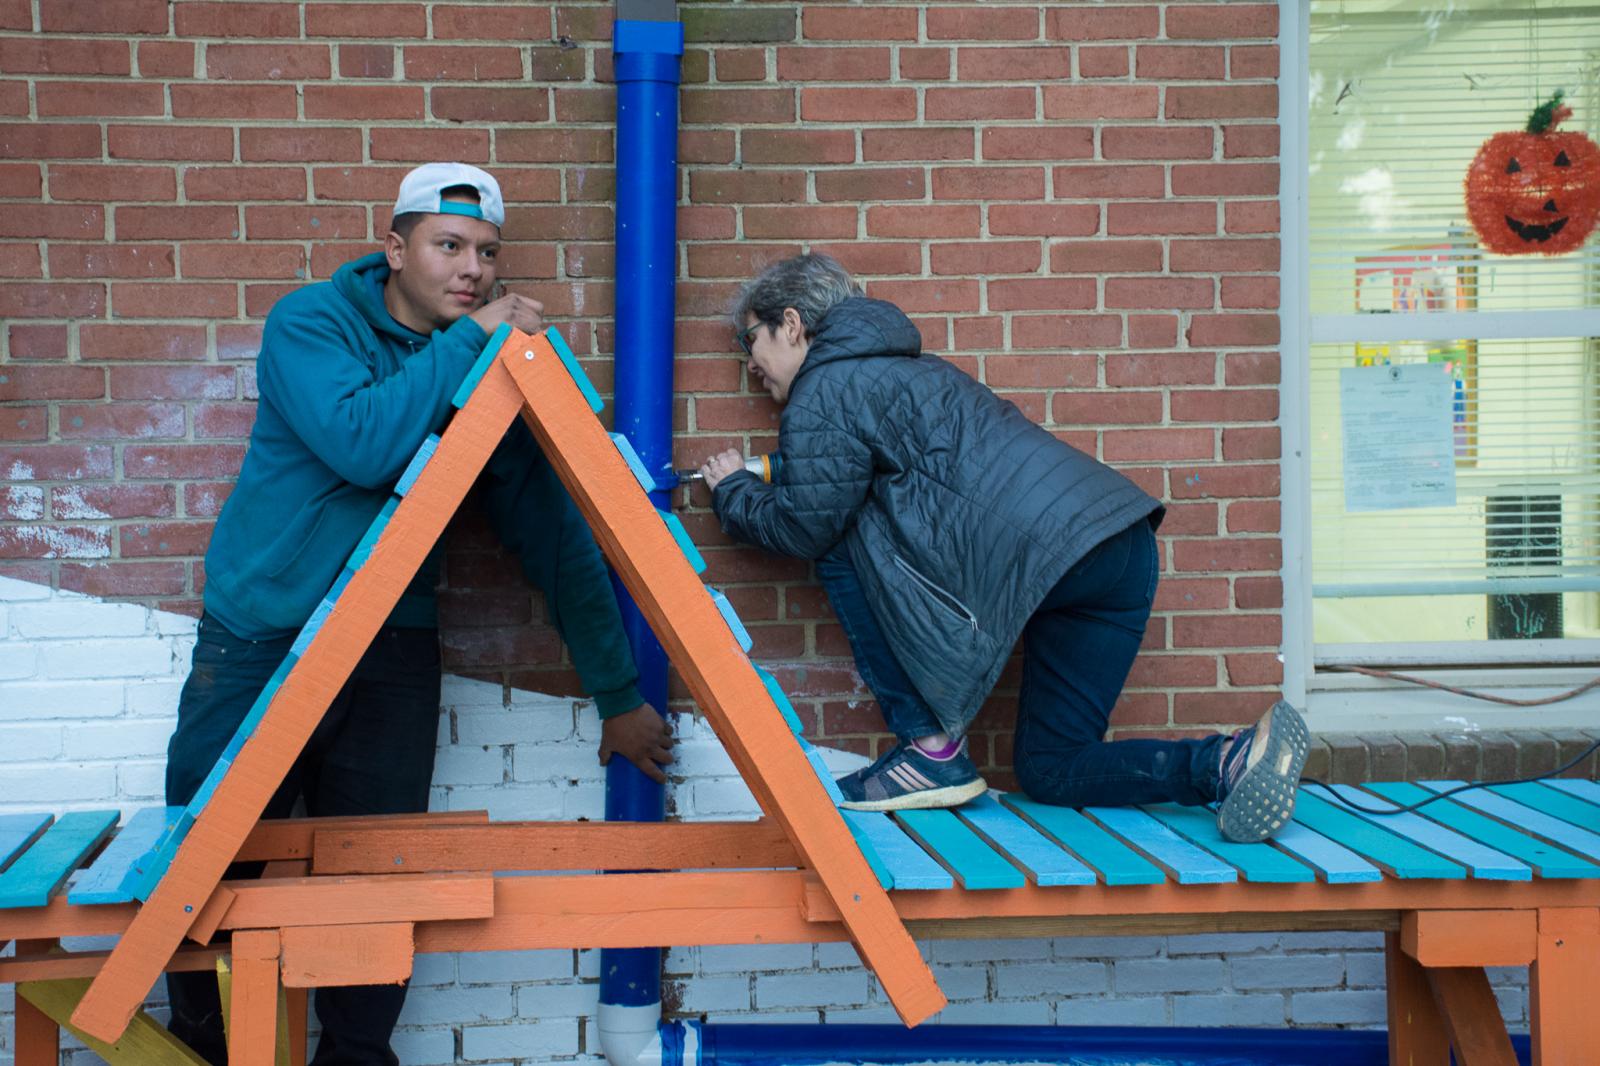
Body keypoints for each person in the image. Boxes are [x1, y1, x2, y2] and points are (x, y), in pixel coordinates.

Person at [163, 163, 674, 1065]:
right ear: (394, 249)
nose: (472, 268)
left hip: (390, 650)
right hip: (261, 639)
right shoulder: (310, 323)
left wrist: (617, 693)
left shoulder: (488, 371)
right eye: (448, 245)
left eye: (487, 253)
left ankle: (356, 1059)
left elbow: (552, 539)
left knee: (378, 877)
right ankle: (202, 1043)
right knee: (210, 864)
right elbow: (363, 444)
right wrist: (472, 342)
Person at [698, 253, 1307, 845]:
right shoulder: (916, 367)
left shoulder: (823, 389)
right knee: (1050, 767)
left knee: (837, 541)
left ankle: (930, 748)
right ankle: (1224, 765)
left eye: (749, 340)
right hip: (1118, 544)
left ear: (793, 324)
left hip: (1045, 563)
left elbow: (809, 525)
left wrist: (733, 492)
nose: (749, 362)